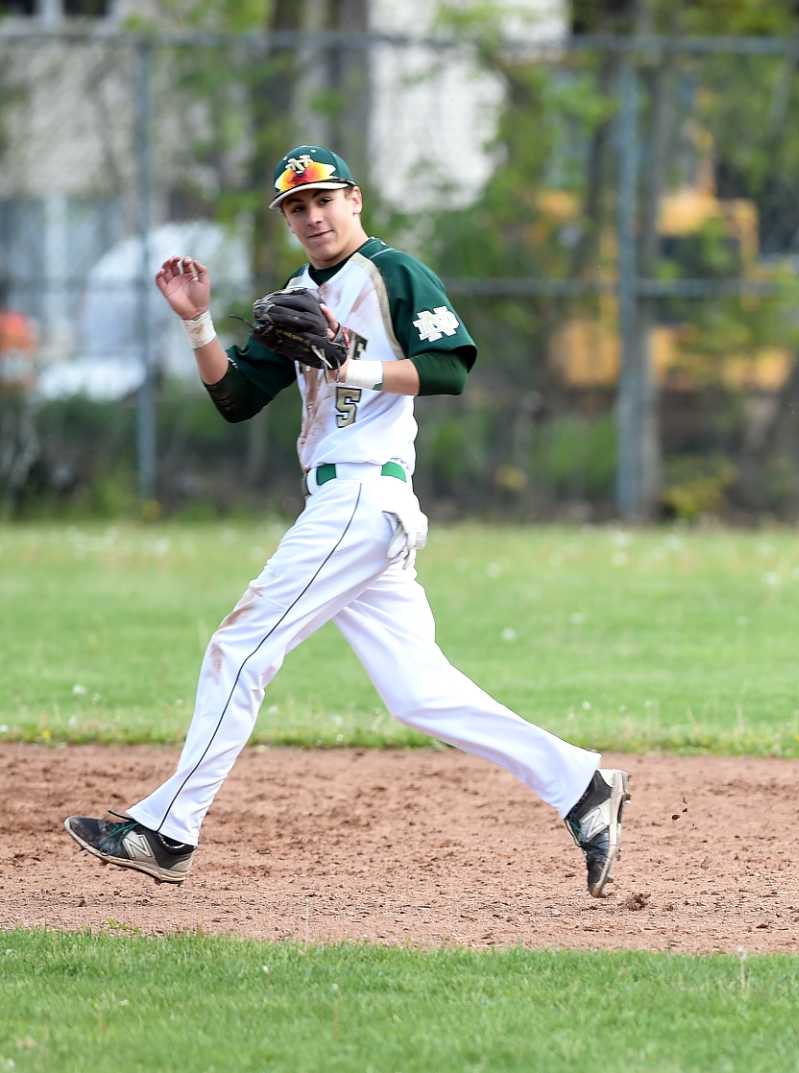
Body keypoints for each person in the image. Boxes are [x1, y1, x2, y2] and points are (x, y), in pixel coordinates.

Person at [62, 145, 632, 897]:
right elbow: (235, 399)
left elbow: (452, 367)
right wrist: (199, 327)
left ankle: (167, 829)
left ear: (354, 200)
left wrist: (353, 366)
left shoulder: (393, 272)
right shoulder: (293, 297)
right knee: (418, 692)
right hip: (348, 504)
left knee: (239, 648)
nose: (311, 216)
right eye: (296, 207)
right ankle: (583, 785)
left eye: (322, 199)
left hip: (364, 496)